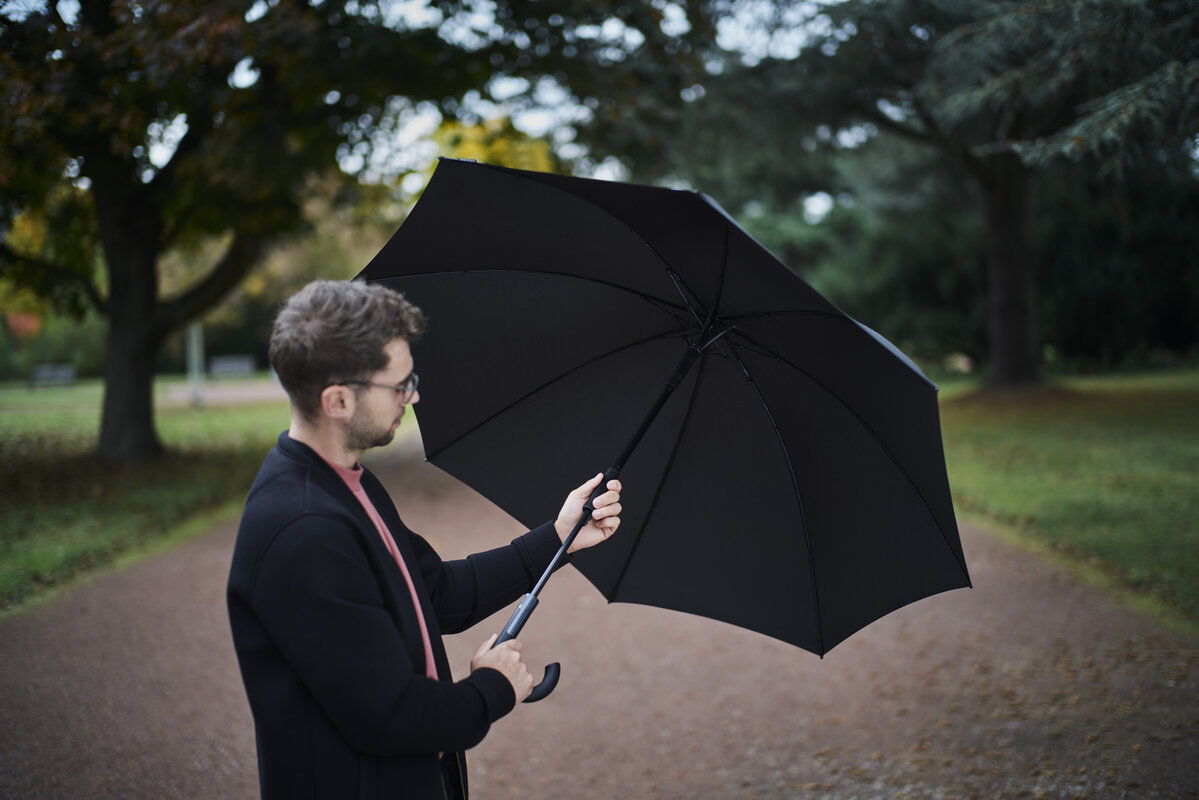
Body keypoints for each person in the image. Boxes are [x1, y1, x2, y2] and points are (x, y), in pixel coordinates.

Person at [226, 280, 622, 800]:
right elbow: (390, 716)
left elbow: (436, 594)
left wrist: (559, 537)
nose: (413, 395)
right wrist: (491, 688)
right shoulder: (304, 531)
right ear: (338, 400)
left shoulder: (348, 483)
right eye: (400, 385)